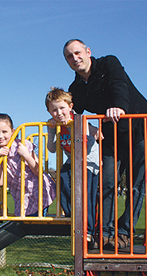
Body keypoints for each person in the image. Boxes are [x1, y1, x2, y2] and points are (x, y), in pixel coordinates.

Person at [63, 39, 147, 249]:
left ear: (88, 52)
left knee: (135, 183)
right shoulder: (76, 88)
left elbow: (119, 85)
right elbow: (71, 113)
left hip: (139, 128)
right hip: (111, 135)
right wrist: (57, 119)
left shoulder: (107, 64)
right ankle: (105, 232)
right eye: (69, 56)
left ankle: (124, 231)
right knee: (107, 182)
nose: (75, 58)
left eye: (77, 53)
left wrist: (118, 106)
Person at [45, 87, 101, 249]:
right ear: (49, 111)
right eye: (54, 110)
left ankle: (88, 230)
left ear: (70, 107)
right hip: (73, 162)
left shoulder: (78, 119)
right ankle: (74, 222)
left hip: (89, 162)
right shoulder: (56, 125)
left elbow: (97, 133)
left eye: (62, 108)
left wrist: (84, 128)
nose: (59, 113)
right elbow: (52, 149)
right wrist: (50, 130)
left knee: (87, 195)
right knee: (61, 180)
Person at [0, 113, 56, 217]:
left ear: (12, 132)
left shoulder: (23, 145)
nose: (0, 136)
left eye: (4, 132)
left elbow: (39, 171)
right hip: (20, 195)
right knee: (24, 223)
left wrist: (26, 155)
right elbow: (0, 182)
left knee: (34, 221)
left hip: (39, 190)